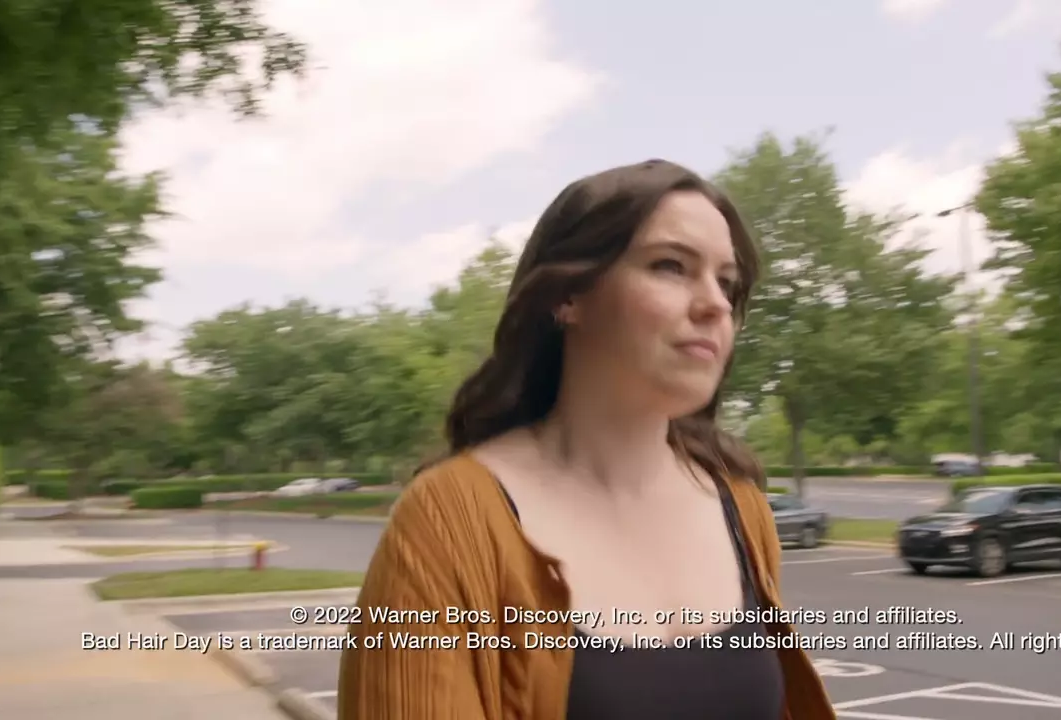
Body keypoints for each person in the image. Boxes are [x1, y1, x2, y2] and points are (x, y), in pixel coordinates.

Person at [336, 159, 836, 719]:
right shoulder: (449, 522)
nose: (716, 304)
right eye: (671, 266)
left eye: (727, 282)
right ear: (568, 295)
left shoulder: (742, 508)